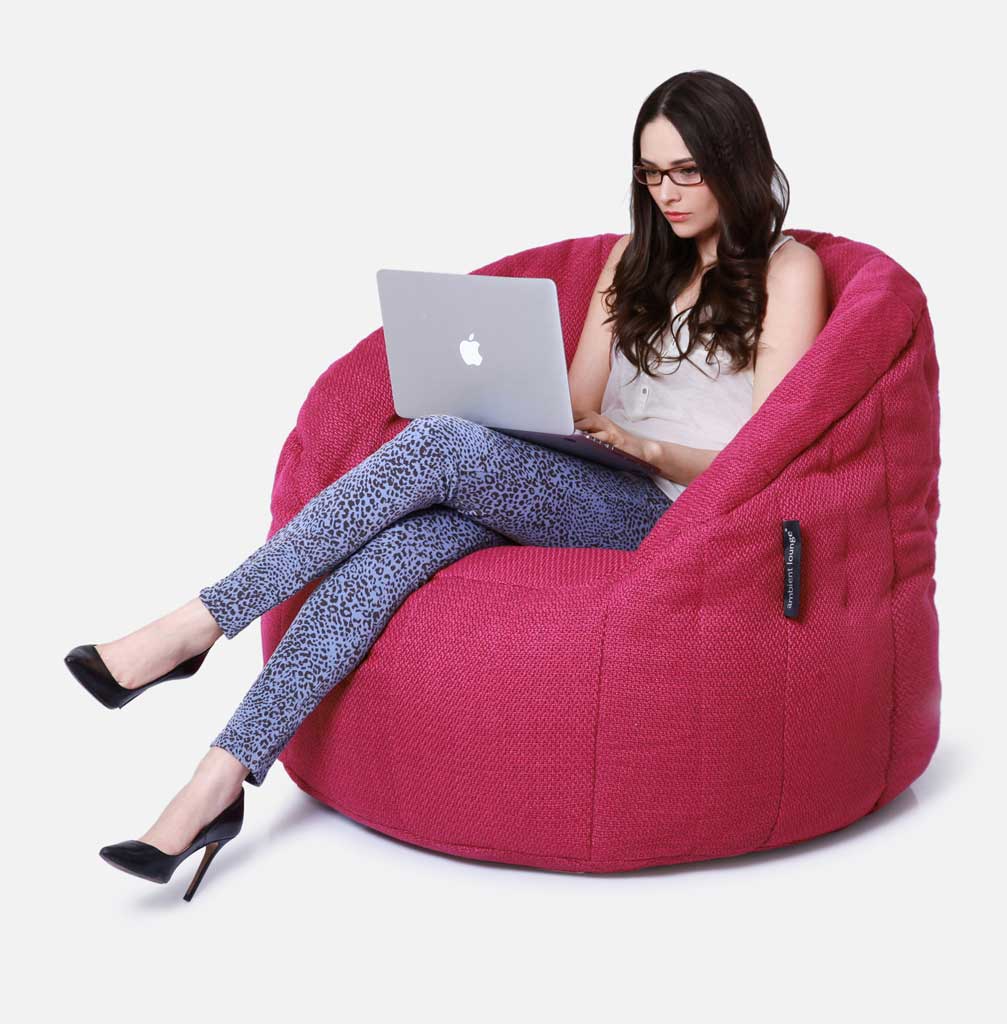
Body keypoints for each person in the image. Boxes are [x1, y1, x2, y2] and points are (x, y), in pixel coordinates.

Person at [65, 68, 829, 899]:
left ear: (734, 162)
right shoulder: (632, 259)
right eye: (651, 174)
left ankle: (198, 624)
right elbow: (578, 403)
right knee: (397, 549)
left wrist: (648, 447)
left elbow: (769, 454)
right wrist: (528, 411)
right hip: (590, 477)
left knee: (437, 445)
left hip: (676, 510)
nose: (667, 193)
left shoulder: (788, 272)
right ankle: (215, 782)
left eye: (687, 171)